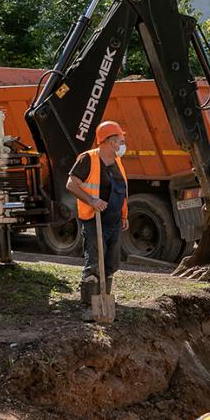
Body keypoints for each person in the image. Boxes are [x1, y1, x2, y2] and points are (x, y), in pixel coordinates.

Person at [65, 121, 129, 318]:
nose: (122, 145)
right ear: (110, 142)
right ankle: (88, 306)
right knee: (94, 263)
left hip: (114, 221)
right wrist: (92, 200)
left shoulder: (117, 161)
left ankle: (104, 302)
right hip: (94, 220)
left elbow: (122, 191)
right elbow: (71, 184)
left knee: (111, 264)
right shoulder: (88, 159)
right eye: (120, 141)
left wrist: (124, 215)